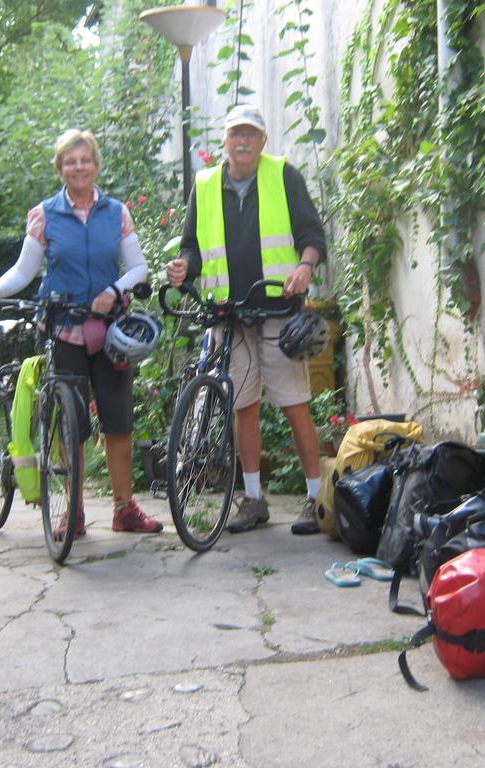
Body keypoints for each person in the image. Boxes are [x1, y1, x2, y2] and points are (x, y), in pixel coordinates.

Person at [0, 129, 163, 536]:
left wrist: (114, 292)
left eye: (85, 160)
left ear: (95, 164)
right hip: (63, 328)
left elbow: (138, 269)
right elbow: (25, 271)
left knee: (119, 421)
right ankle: (72, 511)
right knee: (70, 422)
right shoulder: (45, 215)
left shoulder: (117, 212)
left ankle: (124, 509)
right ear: (60, 169)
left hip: (111, 332)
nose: (78, 167)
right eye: (70, 161)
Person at [166, 104, 327, 536]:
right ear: (224, 140)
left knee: (295, 404)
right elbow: (191, 249)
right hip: (228, 313)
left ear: (263, 141)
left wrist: (305, 267)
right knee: (244, 407)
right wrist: (184, 267)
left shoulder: (284, 175)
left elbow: (312, 235)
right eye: (236, 133)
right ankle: (254, 500)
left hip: (277, 308)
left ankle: (317, 499)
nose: (243, 142)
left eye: (251, 135)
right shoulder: (203, 186)